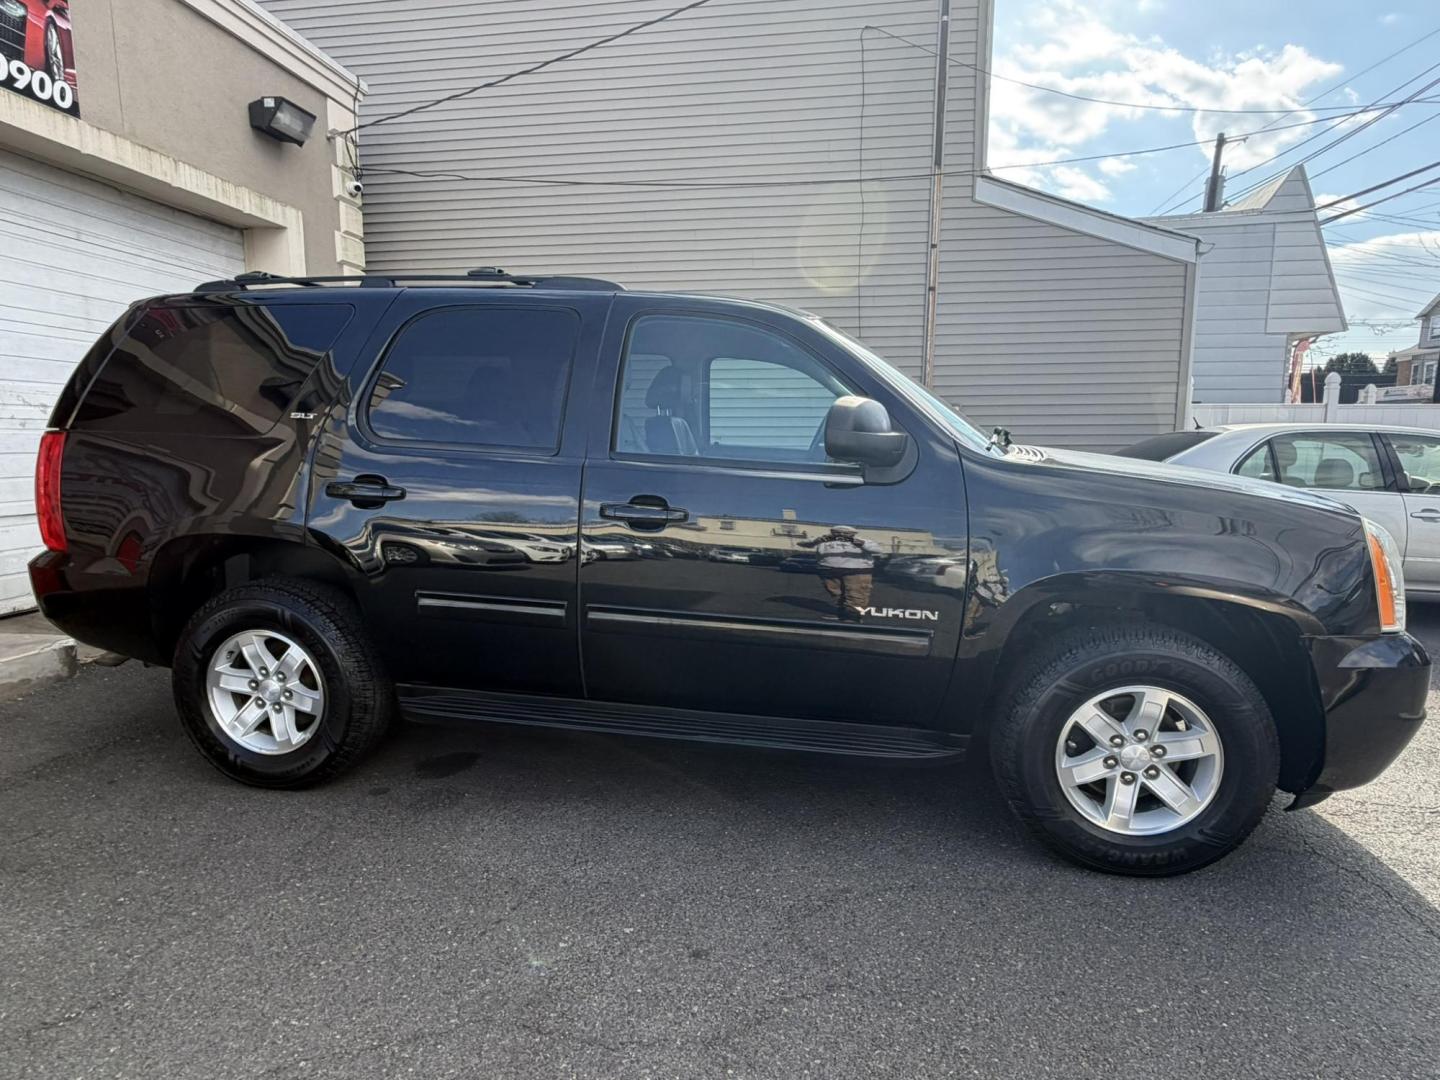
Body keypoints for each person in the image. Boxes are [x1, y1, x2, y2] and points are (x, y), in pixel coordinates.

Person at [798, 525, 883, 621]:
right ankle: (842, 615)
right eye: (837, 533)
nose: (841, 535)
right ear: (832, 533)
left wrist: (861, 543)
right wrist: (819, 540)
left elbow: (878, 550)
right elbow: (802, 543)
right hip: (828, 570)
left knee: (856, 595)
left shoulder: (862, 541)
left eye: (846, 534)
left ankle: (853, 618)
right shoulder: (823, 540)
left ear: (853, 534)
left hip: (857, 572)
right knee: (837, 594)